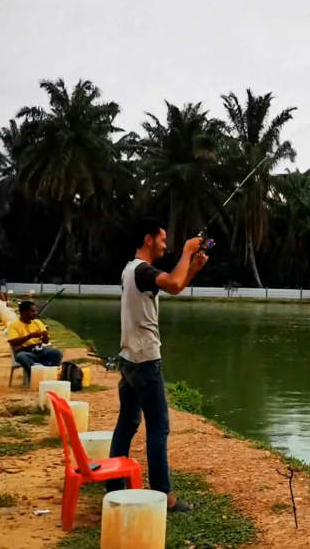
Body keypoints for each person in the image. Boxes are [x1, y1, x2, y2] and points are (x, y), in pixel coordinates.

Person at [106, 219, 208, 512]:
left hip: (129, 358)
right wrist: (187, 252)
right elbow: (174, 282)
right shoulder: (142, 270)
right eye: (162, 239)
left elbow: (174, 287)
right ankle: (164, 496)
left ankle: (114, 484)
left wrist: (194, 268)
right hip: (145, 360)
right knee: (158, 429)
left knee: (127, 422)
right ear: (148, 239)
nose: (166, 244)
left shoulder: (131, 270)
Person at [7, 300, 62, 378]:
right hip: (26, 352)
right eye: (32, 311)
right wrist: (30, 336)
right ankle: (36, 376)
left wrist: (45, 337)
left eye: (35, 311)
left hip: (39, 350)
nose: (35, 313)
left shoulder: (37, 322)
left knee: (57, 353)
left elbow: (46, 342)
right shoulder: (14, 325)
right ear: (23, 312)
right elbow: (12, 342)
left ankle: (49, 373)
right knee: (21, 357)